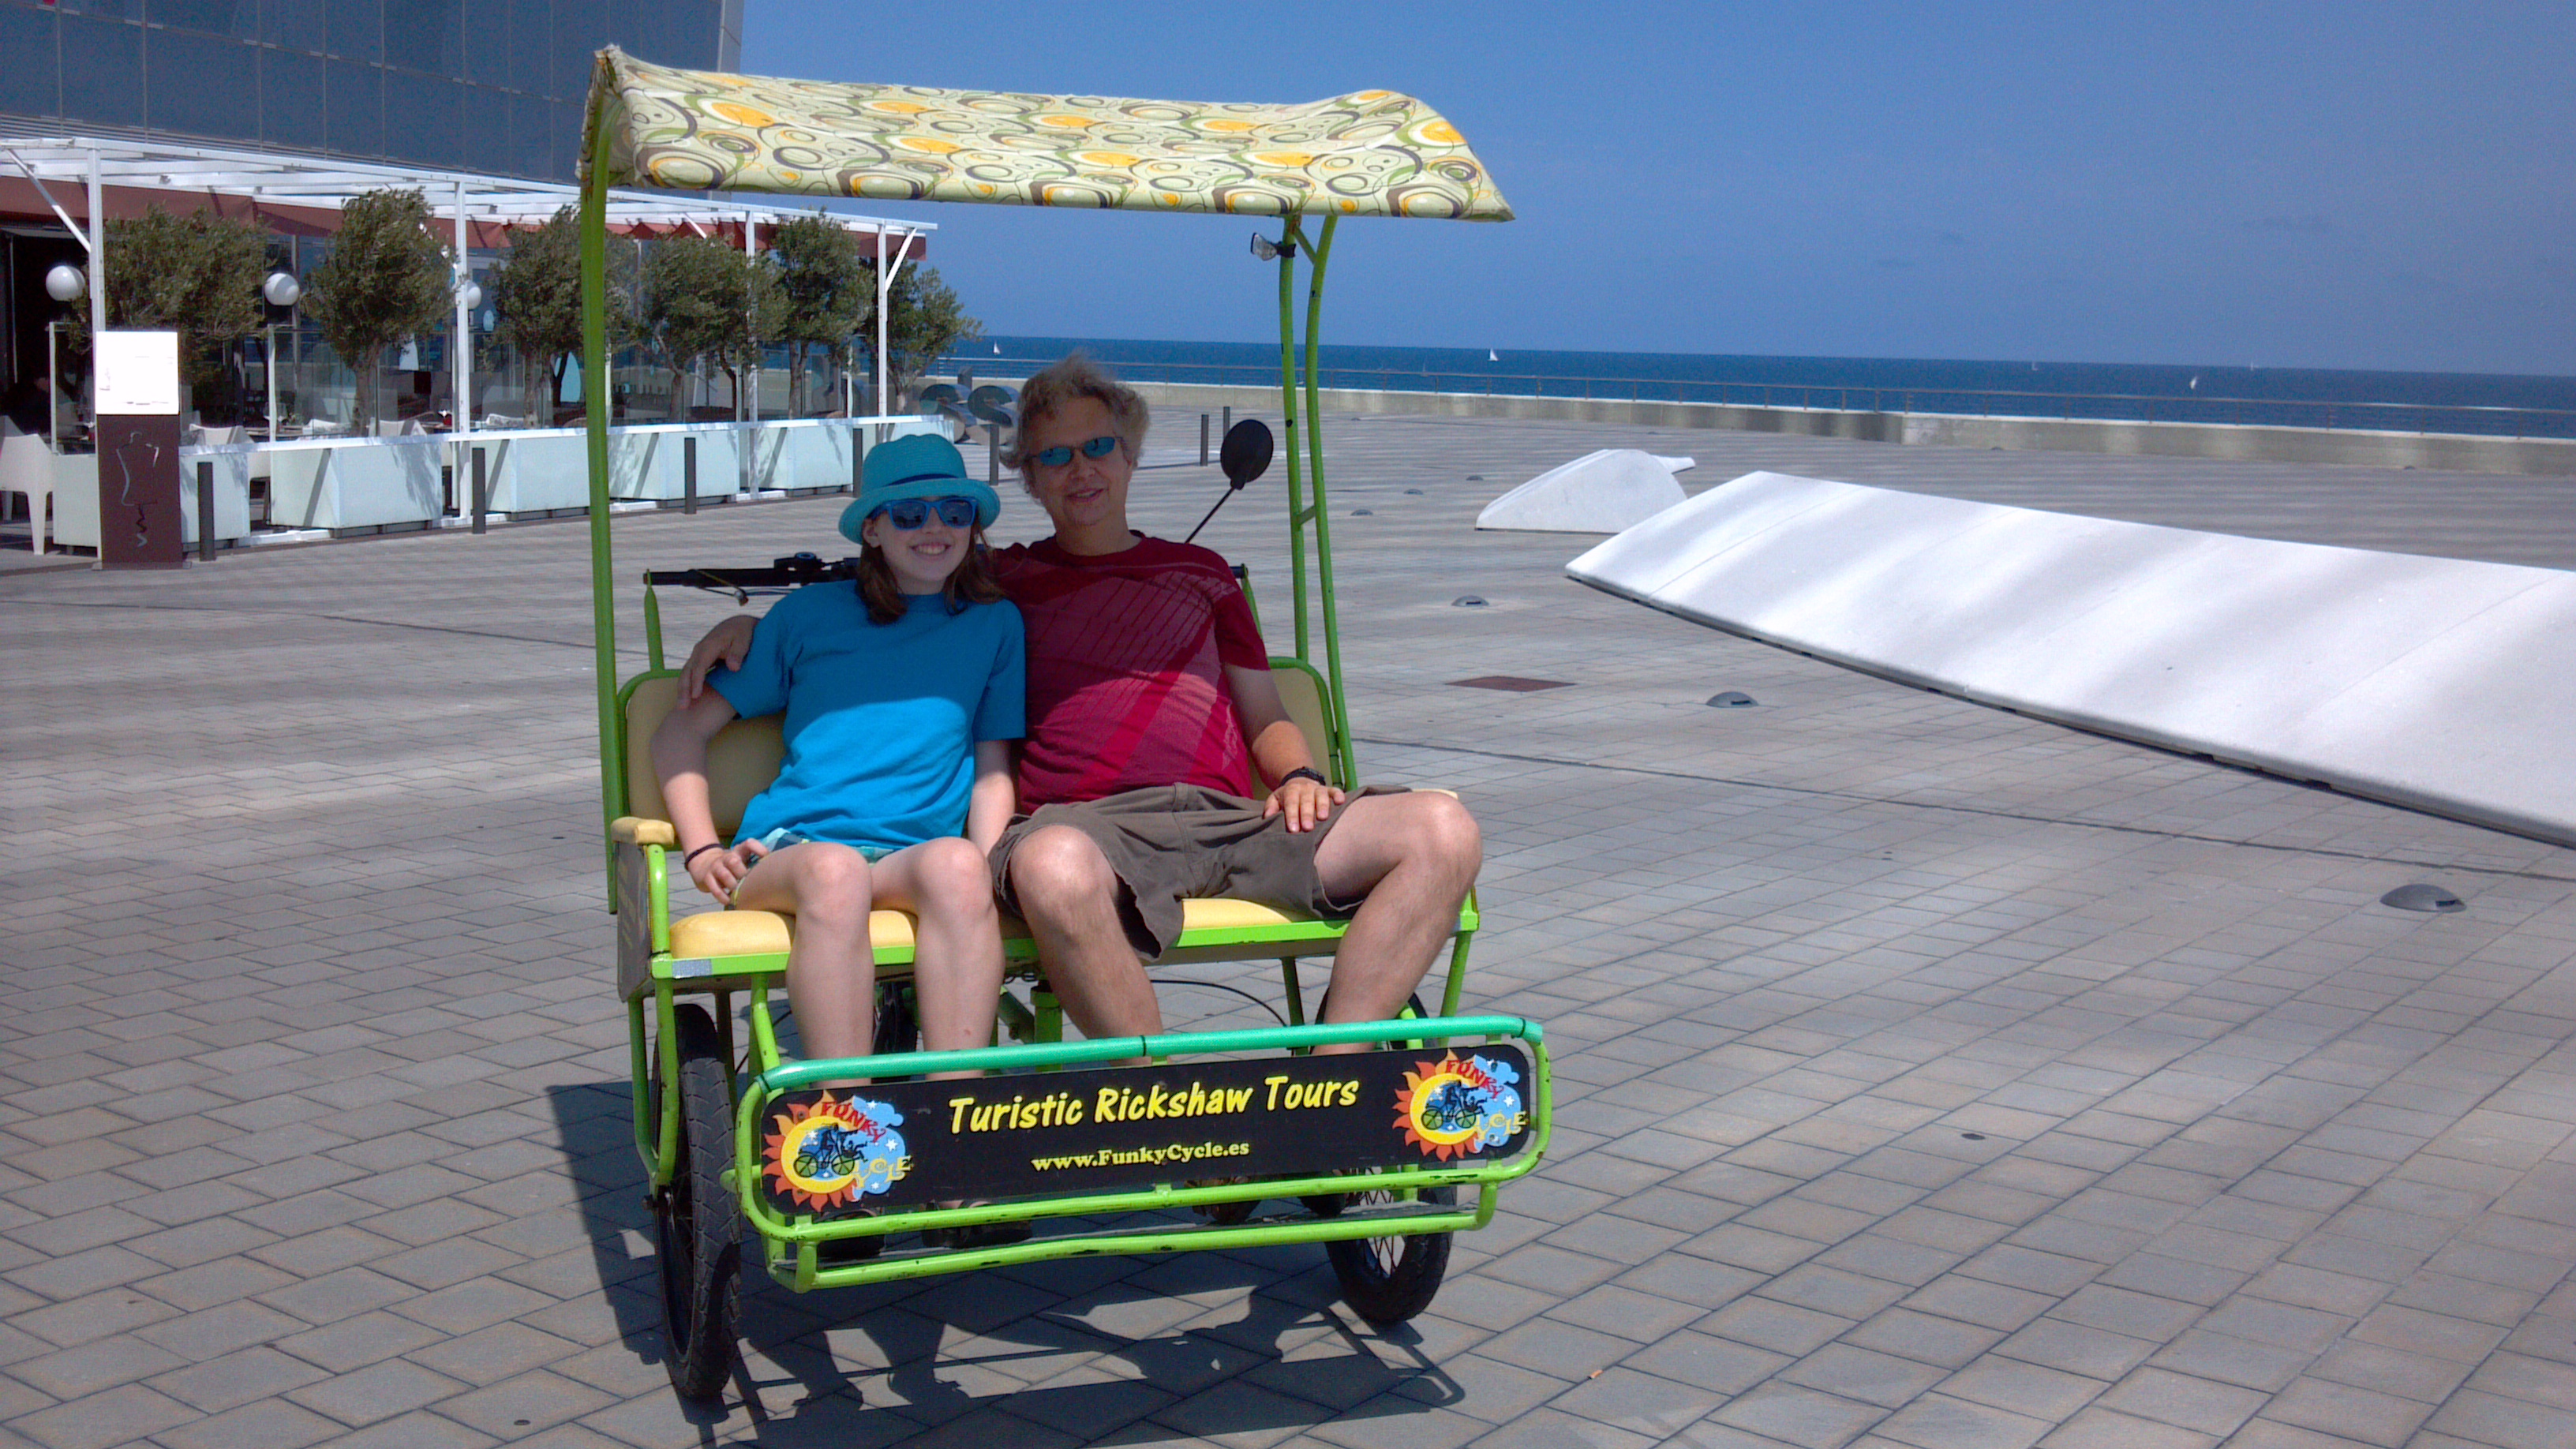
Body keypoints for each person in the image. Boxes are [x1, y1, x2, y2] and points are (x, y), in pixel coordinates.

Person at [684, 356, 1481, 1059]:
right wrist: (751, 627)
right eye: (1054, 457)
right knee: (1052, 866)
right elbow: (898, 575)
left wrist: (1300, 773)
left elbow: (1264, 710)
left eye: (1098, 447)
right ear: (1029, 480)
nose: (1081, 470)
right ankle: (1168, 1105)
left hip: (1227, 819)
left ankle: (1338, 1074)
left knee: (1442, 830)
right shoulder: (1000, 586)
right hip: (1087, 832)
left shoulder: (1203, 574)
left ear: (1131, 455)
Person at [653, 432, 1024, 1102]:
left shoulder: (994, 624)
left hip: (909, 856)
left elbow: (992, 761)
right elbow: (680, 732)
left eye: (954, 511)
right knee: (836, 870)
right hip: (796, 850)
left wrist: (989, 861)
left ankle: (954, 1108)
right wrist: (702, 847)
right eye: (909, 514)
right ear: (873, 530)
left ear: (974, 526)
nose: (934, 528)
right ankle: (843, 1118)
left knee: (960, 865)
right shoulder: (808, 617)